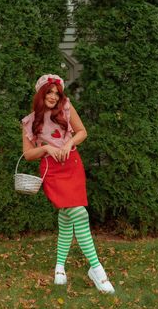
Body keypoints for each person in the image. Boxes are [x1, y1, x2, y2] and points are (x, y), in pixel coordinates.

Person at [22, 74, 115, 294]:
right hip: (51, 171)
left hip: (72, 164)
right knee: (79, 214)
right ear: (40, 93)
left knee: (67, 217)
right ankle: (96, 267)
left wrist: (69, 143)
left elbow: (82, 132)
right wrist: (46, 148)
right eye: (49, 92)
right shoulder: (29, 121)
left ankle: (59, 267)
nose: (54, 96)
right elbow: (27, 155)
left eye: (57, 92)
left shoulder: (66, 108)